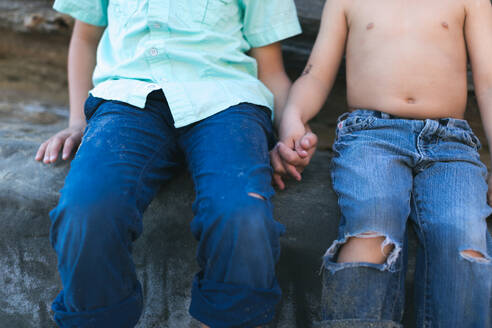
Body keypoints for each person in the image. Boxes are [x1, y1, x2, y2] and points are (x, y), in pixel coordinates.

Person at [35, 1, 316, 327]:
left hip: (228, 103)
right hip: (128, 103)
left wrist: (288, 131)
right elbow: (85, 38)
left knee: (241, 213)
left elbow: (270, 69)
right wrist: (75, 122)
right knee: (86, 209)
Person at [271, 0, 492, 326]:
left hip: (450, 143)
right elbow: (316, 75)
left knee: (464, 239)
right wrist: (293, 117)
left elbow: (488, 82)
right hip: (371, 136)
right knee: (372, 226)